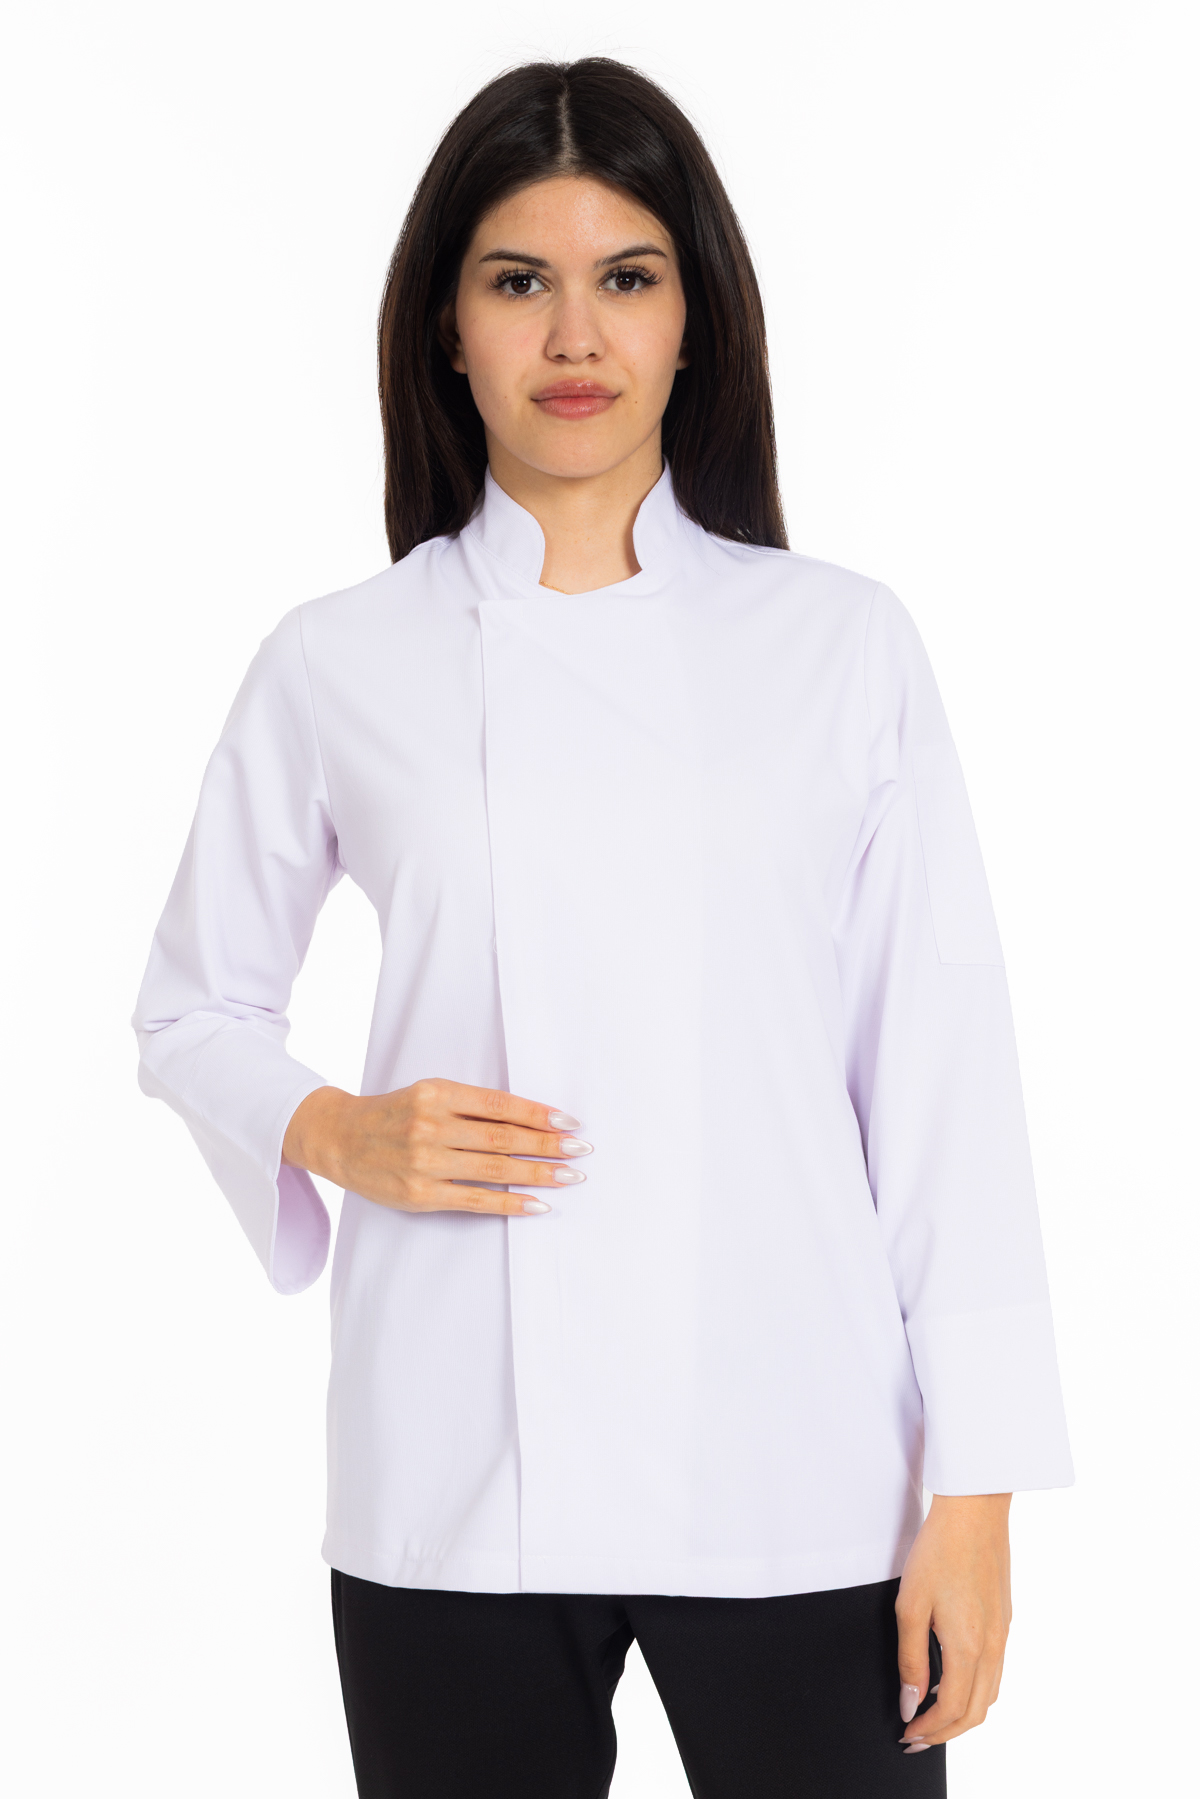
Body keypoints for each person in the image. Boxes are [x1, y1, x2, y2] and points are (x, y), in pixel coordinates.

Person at [132, 56, 1073, 1798]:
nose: (576, 336)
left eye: (626, 277)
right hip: (453, 1460)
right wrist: (337, 1129)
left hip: (800, 1459)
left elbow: (944, 1083)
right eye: (519, 282)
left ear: (694, 317)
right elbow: (191, 1012)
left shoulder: (841, 647)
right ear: (448, 329)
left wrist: (979, 1492)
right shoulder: (340, 661)